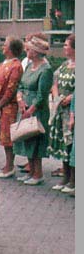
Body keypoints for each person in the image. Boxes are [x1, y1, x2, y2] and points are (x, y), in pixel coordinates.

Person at [14, 34, 53, 186]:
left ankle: (38, 173)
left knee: (36, 140)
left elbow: (42, 94)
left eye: (29, 49)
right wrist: (20, 100)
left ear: (36, 52)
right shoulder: (30, 66)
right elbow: (21, 85)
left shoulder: (46, 69)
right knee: (27, 138)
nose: (26, 51)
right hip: (24, 106)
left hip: (37, 110)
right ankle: (31, 172)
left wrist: (30, 110)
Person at [0, 37, 24, 178]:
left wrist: (0, 105)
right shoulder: (4, 63)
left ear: (11, 49)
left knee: (8, 136)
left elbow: (11, 89)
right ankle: (6, 164)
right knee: (3, 137)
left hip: (8, 106)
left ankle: (10, 166)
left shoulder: (16, 66)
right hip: (0, 105)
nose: (2, 47)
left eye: (5, 45)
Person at [47, 34, 75, 192]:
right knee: (64, 143)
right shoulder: (64, 65)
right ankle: (65, 176)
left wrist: (71, 98)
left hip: (71, 110)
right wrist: (57, 96)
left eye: (66, 45)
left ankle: (73, 179)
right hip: (61, 109)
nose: (64, 48)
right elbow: (55, 82)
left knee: (71, 143)